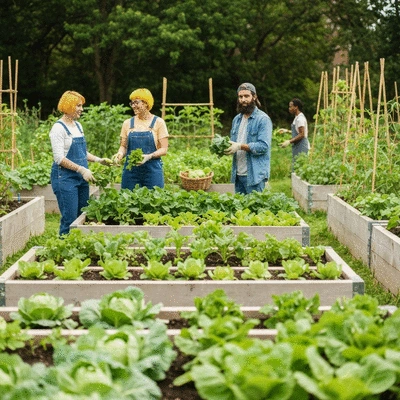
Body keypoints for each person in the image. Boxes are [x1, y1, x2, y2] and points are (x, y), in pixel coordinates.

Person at [49, 90, 111, 236]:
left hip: (81, 178)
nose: (81, 109)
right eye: (78, 106)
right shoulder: (58, 128)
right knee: (69, 218)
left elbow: (83, 153)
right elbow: (59, 158)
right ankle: (63, 248)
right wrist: (82, 170)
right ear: (69, 106)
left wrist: (98, 160)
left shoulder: (78, 126)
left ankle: (78, 247)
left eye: (81, 106)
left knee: (82, 215)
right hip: (64, 178)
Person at [112, 88, 169, 190]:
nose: (133, 106)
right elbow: (123, 146)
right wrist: (120, 154)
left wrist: (149, 156)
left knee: (154, 201)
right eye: (132, 103)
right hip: (131, 172)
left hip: (153, 171)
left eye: (136, 102)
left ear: (146, 103)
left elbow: (164, 149)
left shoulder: (158, 122)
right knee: (128, 201)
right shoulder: (127, 123)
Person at [224, 82, 272, 195]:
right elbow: (233, 143)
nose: (243, 100)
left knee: (256, 210)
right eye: (240, 97)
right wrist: (226, 147)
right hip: (238, 175)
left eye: (246, 96)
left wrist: (240, 146)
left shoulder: (263, 119)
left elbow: (263, 146)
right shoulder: (237, 120)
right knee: (241, 211)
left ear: (254, 97)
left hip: (254, 176)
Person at [280, 98, 309, 170]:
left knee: (299, 167)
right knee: (296, 166)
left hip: (301, 145)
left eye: (290, 106)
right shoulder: (297, 117)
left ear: (296, 107)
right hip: (297, 145)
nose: (289, 108)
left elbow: (302, 134)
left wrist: (289, 141)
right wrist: (286, 131)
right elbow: (297, 131)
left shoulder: (300, 119)